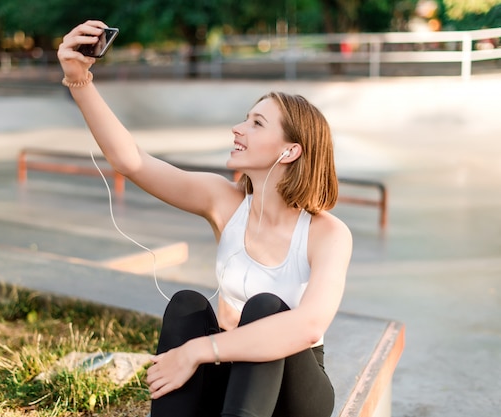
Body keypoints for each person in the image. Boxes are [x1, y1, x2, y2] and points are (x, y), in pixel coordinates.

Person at [58, 20, 352, 417]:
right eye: (245, 119)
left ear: (290, 152)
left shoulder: (327, 233)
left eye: (256, 123)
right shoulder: (224, 201)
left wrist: (200, 350)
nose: (238, 128)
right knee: (187, 305)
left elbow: (309, 326)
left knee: (266, 308)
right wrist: (80, 80)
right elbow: (133, 161)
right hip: (233, 379)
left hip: (295, 392)